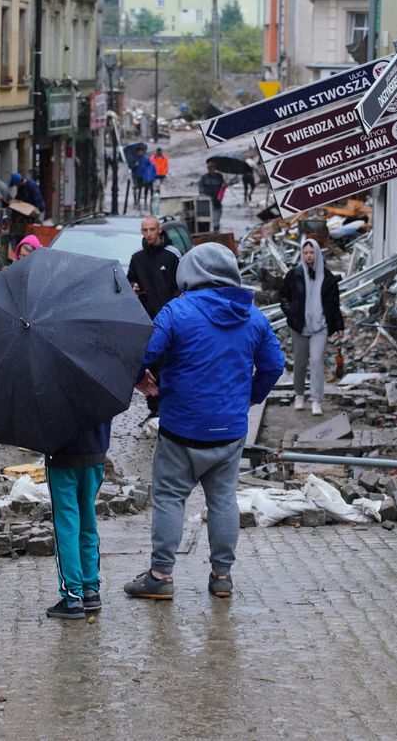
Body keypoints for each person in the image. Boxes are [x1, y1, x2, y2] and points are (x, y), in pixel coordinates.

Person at [124, 243, 284, 601]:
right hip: (229, 431)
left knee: (168, 499)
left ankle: (161, 575)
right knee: (224, 500)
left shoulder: (176, 312)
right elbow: (274, 365)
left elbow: (143, 352)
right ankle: (222, 576)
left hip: (181, 427)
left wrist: (138, 377)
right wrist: (251, 397)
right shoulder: (254, 317)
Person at [44, 419, 113, 620]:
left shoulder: (46, 386)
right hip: (95, 451)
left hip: (61, 454)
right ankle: (90, 589)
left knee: (66, 526)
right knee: (87, 521)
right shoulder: (104, 385)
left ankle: (72, 596)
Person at [280, 238, 344, 416]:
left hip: (320, 326)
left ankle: (316, 400)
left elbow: (334, 304)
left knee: (316, 361)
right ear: (302, 254)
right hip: (299, 326)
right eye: (305, 253)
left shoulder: (328, 278)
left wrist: (338, 325)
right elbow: (283, 297)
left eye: (311, 252)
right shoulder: (294, 275)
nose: (308, 256)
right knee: (300, 363)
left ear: (317, 253)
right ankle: (299, 395)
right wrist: (291, 313)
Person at [126, 215, 180, 419]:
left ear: (159, 230)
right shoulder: (137, 257)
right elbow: (129, 282)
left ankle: (169, 407)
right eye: (144, 230)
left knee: (170, 362)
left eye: (151, 230)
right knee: (150, 362)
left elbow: (181, 285)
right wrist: (134, 288)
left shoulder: (172, 255)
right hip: (147, 320)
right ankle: (154, 409)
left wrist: (173, 309)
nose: (148, 234)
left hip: (171, 318)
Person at [198, 161, 225, 231]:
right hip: (207, 200)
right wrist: (202, 194)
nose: (211, 169)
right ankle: (207, 230)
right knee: (207, 218)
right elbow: (200, 187)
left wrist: (225, 185)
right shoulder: (204, 177)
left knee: (217, 217)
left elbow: (223, 187)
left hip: (217, 200)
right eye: (209, 168)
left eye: (212, 168)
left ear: (215, 168)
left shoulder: (219, 176)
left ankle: (216, 230)